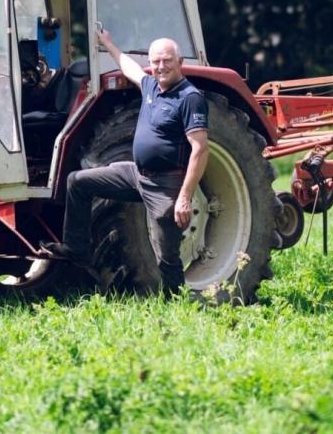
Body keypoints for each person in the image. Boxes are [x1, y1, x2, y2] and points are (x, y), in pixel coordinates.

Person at [39, 29, 209, 293]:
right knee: (77, 182)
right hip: (137, 174)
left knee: (166, 256)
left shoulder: (190, 98)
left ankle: (175, 303)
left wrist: (184, 198)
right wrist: (108, 43)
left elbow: (200, 149)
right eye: (156, 61)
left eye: (167, 61)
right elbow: (129, 67)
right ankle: (77, 250)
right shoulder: (151, 86)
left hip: (165, 184)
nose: (161, 67)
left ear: (180, 62)